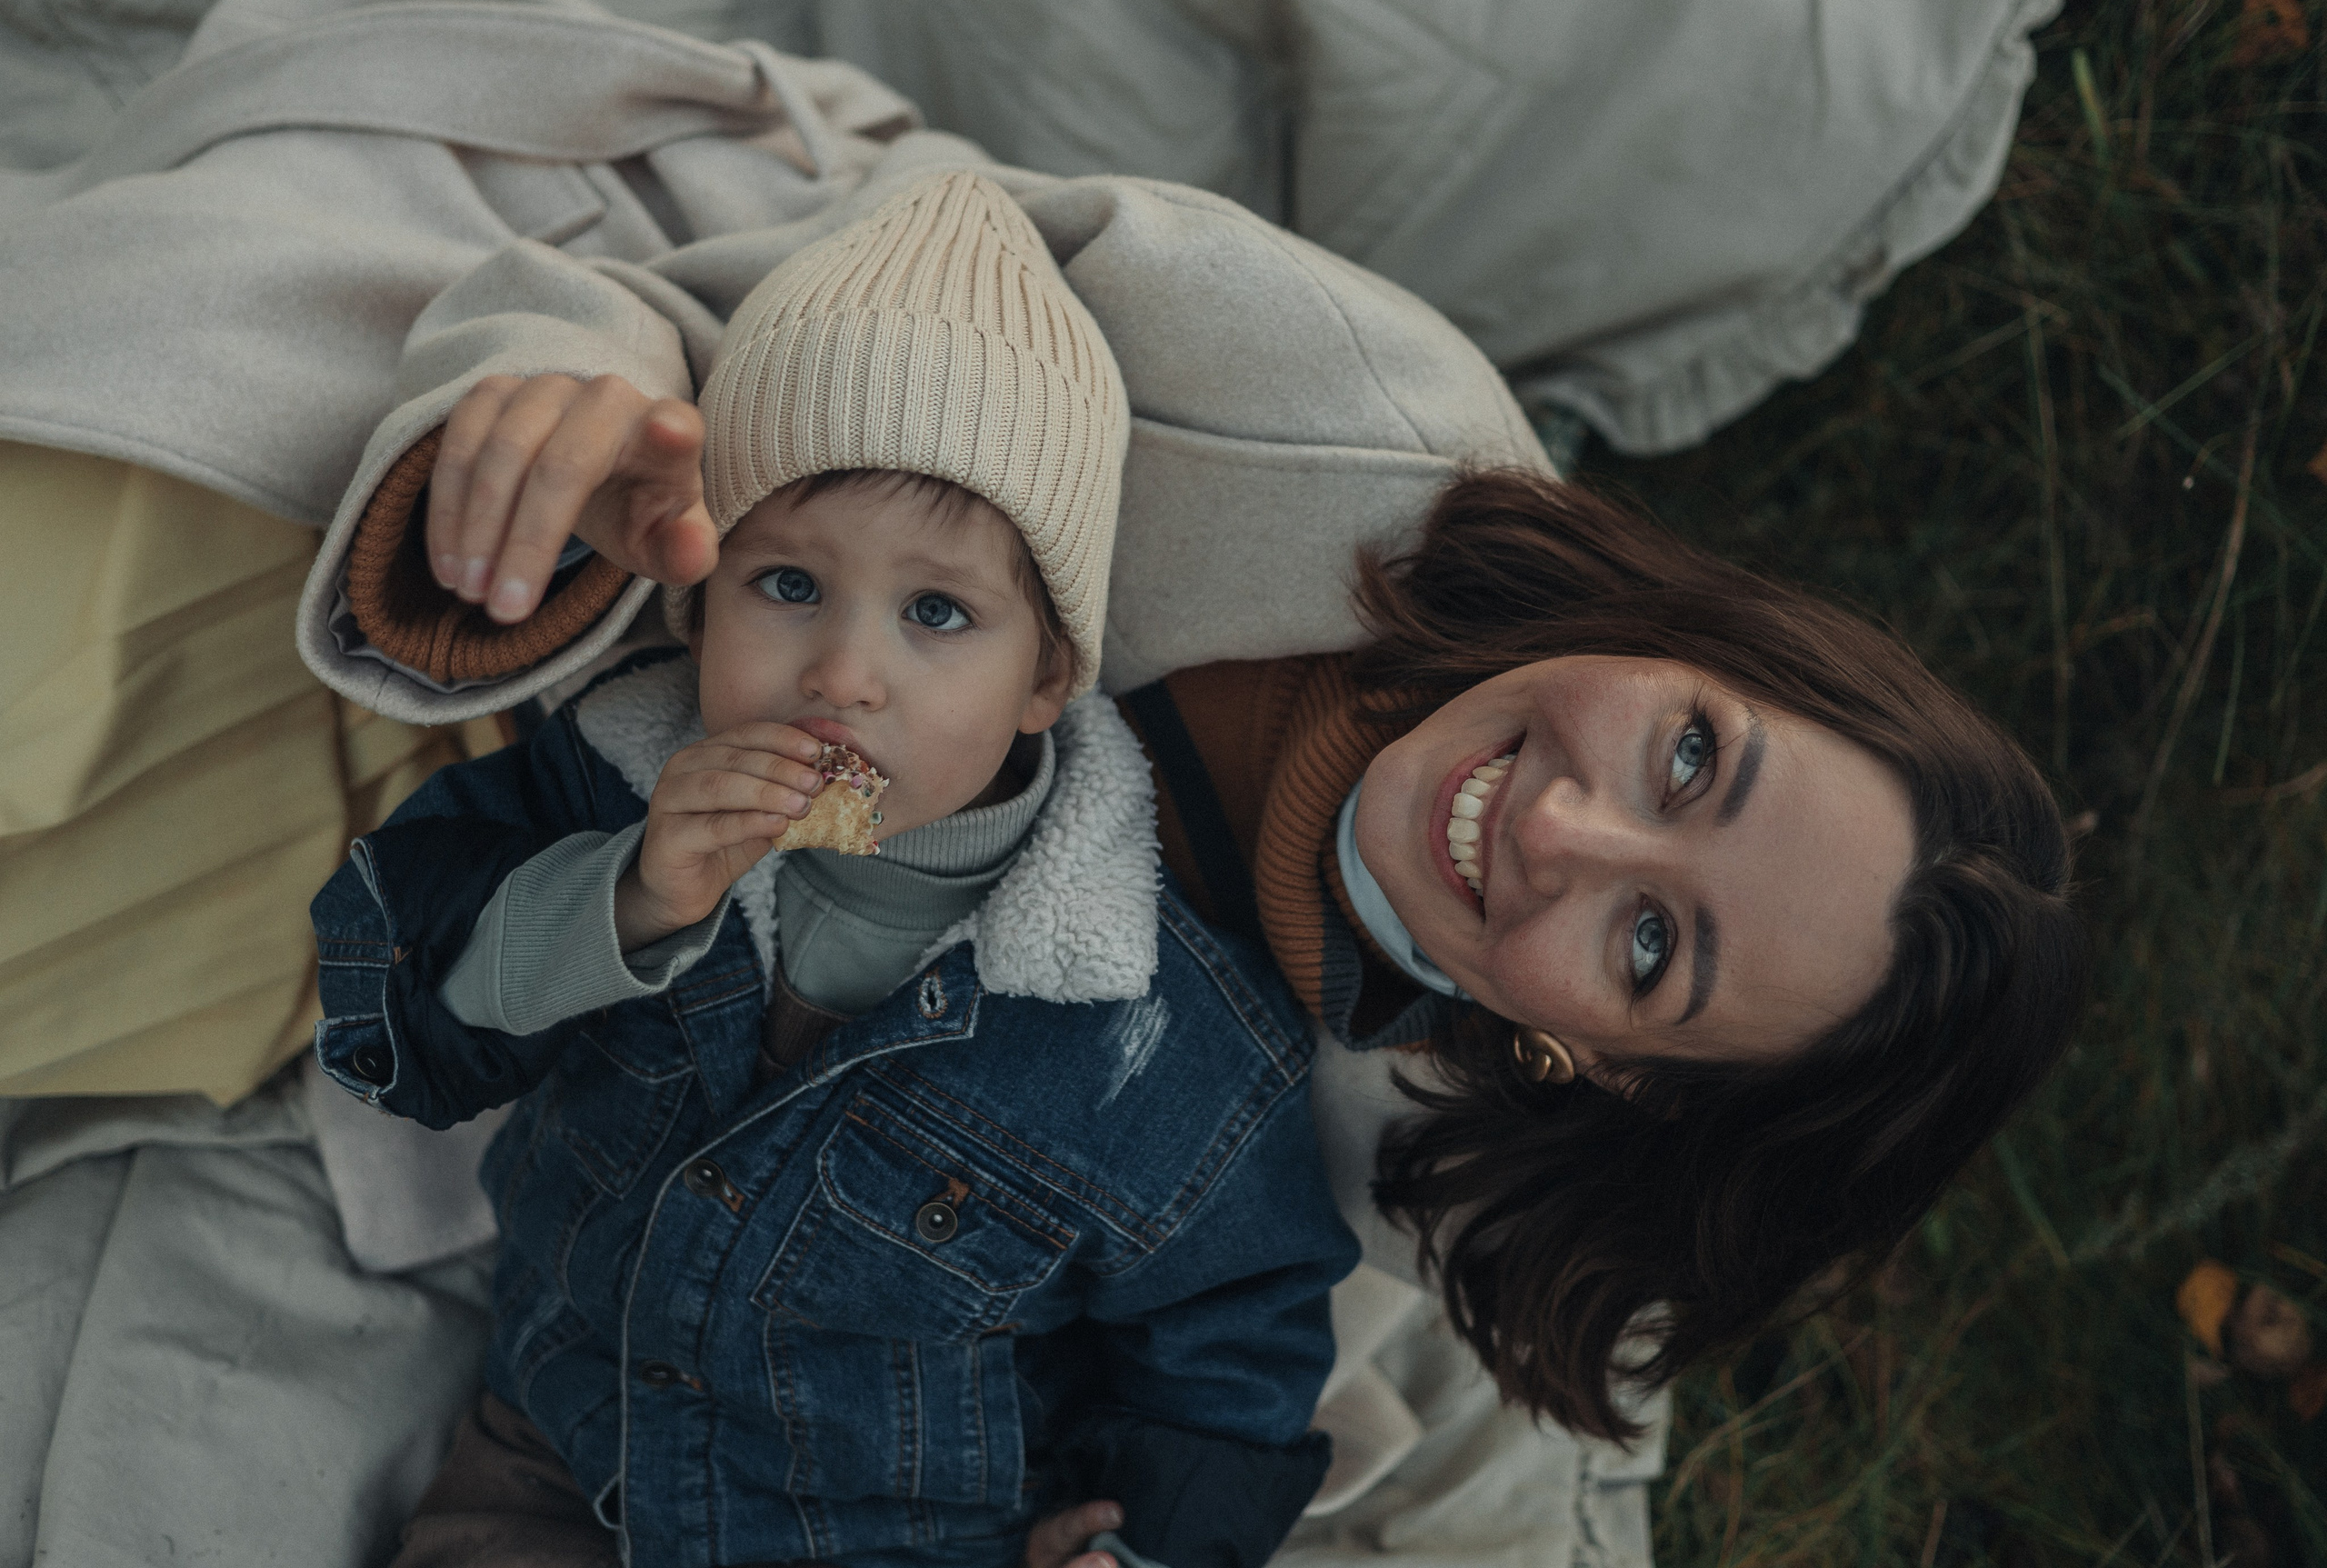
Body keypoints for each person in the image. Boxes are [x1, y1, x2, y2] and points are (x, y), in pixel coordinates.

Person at [414, 345, 2089, 1456]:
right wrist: (585, 410)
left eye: (1650, 946)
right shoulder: (1332, 408)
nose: (1564, 827)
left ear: (1619, 1069)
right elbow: (812, 272)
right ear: (1705, 650)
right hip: (471, 675)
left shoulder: (1351, 1159)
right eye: (1689, 758)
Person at [311, 173, 1359, 1568]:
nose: (844, 676)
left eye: (938, 612)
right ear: (695, 603)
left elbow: (1236, 1337)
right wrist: (626, 898)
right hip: (569, 1453)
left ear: (1047, 674)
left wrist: (1145, 1542)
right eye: (787, 585)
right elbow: (399, 1000)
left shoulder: (1158, 1025)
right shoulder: (611, 783)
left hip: (896, 1534)